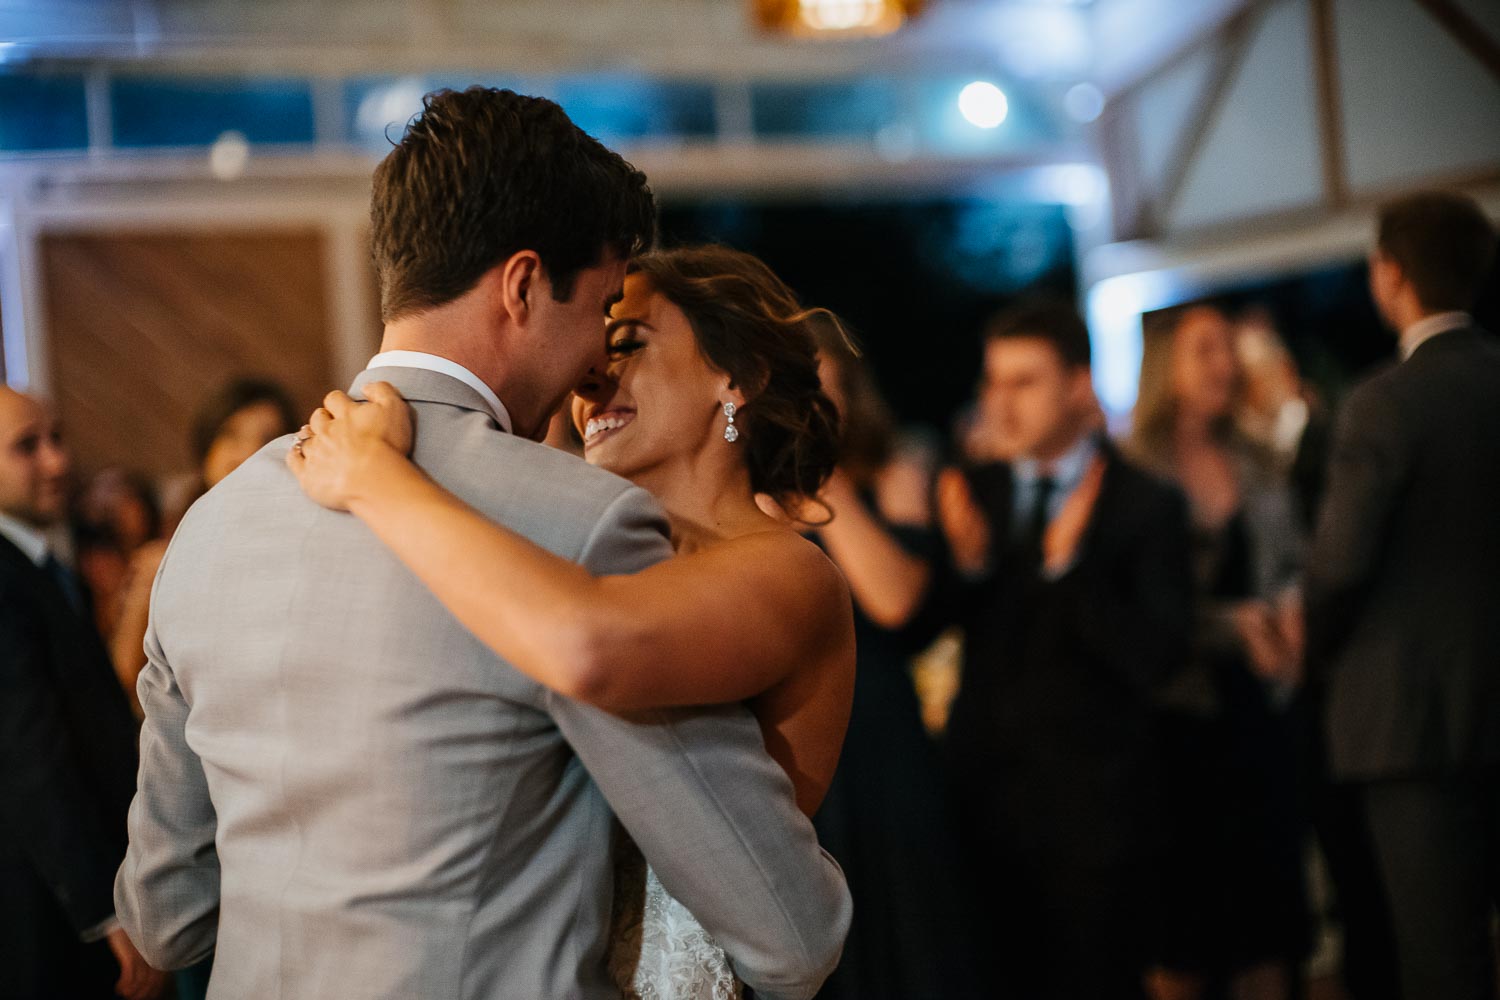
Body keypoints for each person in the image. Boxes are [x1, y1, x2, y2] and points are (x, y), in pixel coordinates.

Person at [115, 88, 852, 1000]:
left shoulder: (213, 522)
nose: (593, 365)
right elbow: (788, 929)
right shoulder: (579, 525)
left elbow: (168, 915)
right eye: (599, 312)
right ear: (523, 285)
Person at [289, 243, 857, 998]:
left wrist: (377, 481)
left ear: (737, 377)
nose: (590, 376)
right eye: (592, 349)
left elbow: (593, 644)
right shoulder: (597, 562)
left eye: (626, 345)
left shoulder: (790, 573)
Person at [925, 300, 1195, 1000]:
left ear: (1079, 386)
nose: (1001, 403)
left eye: (1024, 382)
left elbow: (1160, 657)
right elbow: (923, 627)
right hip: (983, 809)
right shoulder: (971, 491)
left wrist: (1067, 570)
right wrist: (971, 564)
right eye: (993, 383)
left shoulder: (1146, 503)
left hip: (1098, 822)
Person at [1305, 190, 1500, 1000]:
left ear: (1390, 276)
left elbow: (1340, 564)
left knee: (1441, 958)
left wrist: (1314, 649)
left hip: (1413, 722)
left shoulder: (1384, 401)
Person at [1128, 303, 1311, 1000]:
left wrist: (1295, 608)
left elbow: (1295, 559)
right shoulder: (1135, 472)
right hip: (1176, 726)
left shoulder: (1257, 457)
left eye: (1228, 349)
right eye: (1206, 349)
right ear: (1165, 363)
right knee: (1187, 938)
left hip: (1261, 715)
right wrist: (1229, 626)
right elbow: (1139, 609)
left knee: (1269, 928)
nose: (1225, 364)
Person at [807, 328, 976, 999]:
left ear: (851, 394)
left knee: (910, 930)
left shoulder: (891, 475)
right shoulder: (749, 495)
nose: (807, 402)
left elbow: (897, 600)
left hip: (881, 735)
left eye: (823, 385)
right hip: (800, 746)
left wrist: (822, 481)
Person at [0, 387, 166, 1000]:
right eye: (27, 447)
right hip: (46, 917)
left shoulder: (41, 565)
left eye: (56, 438)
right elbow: (30, 757)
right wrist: (105, 909)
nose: (57, 461)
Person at [110, 377, 298, 717]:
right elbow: (124, 675)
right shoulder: (170, 552)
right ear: (207, 448)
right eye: (231, 435)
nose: (248, 452)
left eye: (268, 439)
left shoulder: (300, 542)